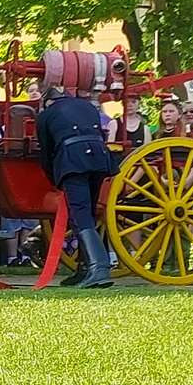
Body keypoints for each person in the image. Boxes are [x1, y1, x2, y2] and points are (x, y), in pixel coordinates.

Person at [36, 86, 117, 288]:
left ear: (47, 102)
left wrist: (54, 178)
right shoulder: (88, 107)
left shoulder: (46, 115)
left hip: (73, 161)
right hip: (99, 158)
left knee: (80, 214)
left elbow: (46, 153)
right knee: (88, 213)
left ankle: (99, 268)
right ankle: (85, 268)